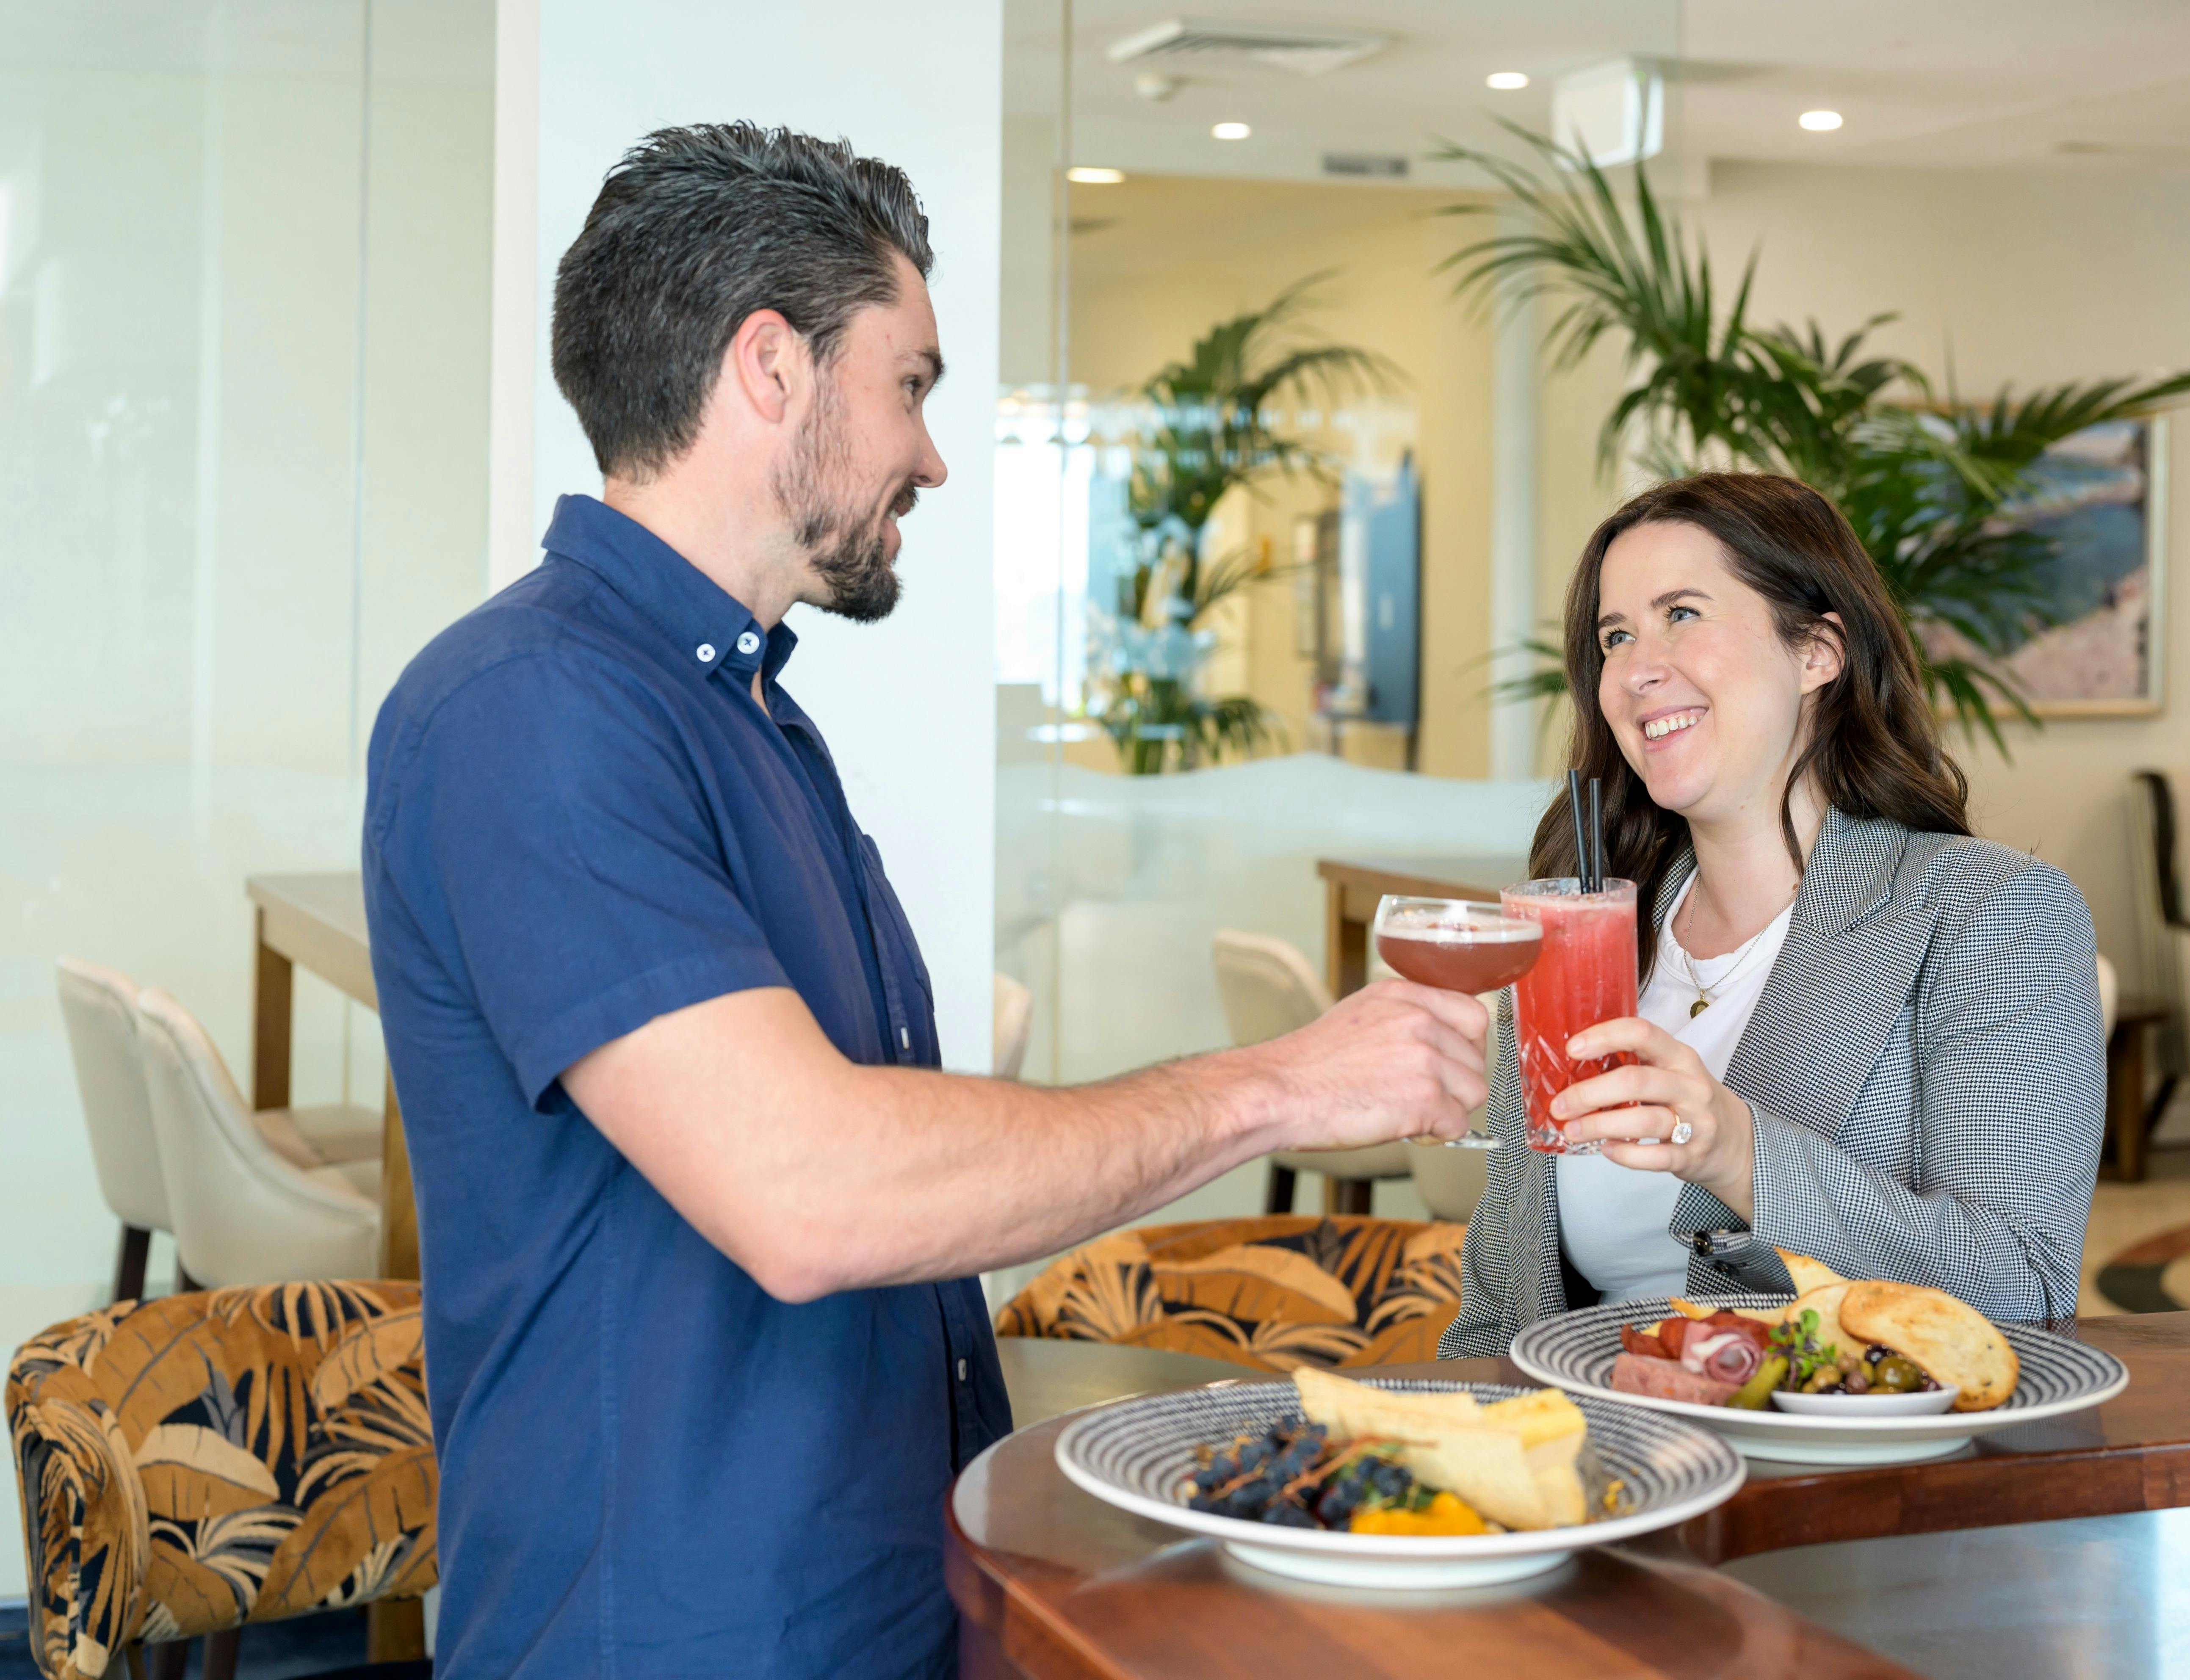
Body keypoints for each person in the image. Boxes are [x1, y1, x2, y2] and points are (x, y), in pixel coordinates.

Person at [362, 123, 1488, 1680]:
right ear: (772, 367)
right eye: (912, 383)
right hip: (672, 1635)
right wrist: (1285, 1079)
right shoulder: (532, 710)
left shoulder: (743, 714)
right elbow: (812, 1192)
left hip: (877, 1605)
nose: (934, 453)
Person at [1438, 472, 2103, 1356]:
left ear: (1818, 652)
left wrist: (1736, 1152)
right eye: (1616, 635)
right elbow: (1494, 1312)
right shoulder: (1580, 936)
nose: (1637, 669)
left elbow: (2025, 1284)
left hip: (1846, 1471)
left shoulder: (1993, 913)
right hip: (1605, 1467)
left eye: (1683, 614)